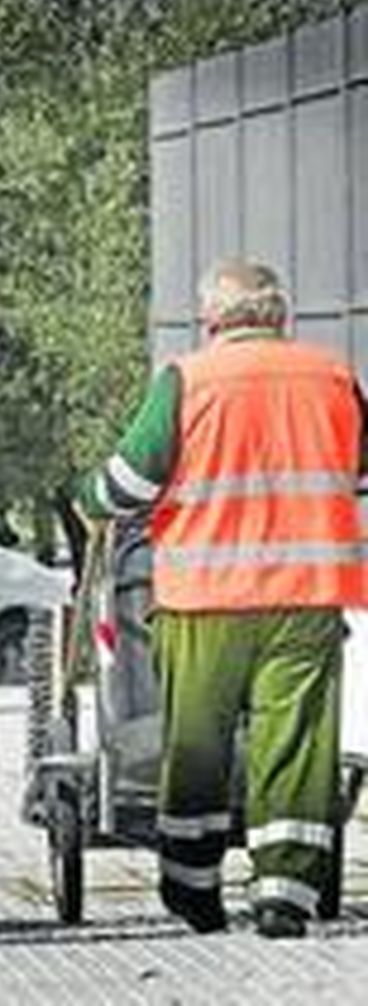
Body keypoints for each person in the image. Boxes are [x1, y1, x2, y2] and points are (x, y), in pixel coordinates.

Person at [80, 257, 368, 939]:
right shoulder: (334, 378)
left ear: (212, 321)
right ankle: (284, 895)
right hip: (305, 597)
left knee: (198, 742)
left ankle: (193, 888)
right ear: (281, 317)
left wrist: (89, 497)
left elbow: (126, 484)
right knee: (294, 742)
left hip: (204, 599)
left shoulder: (189, 379)